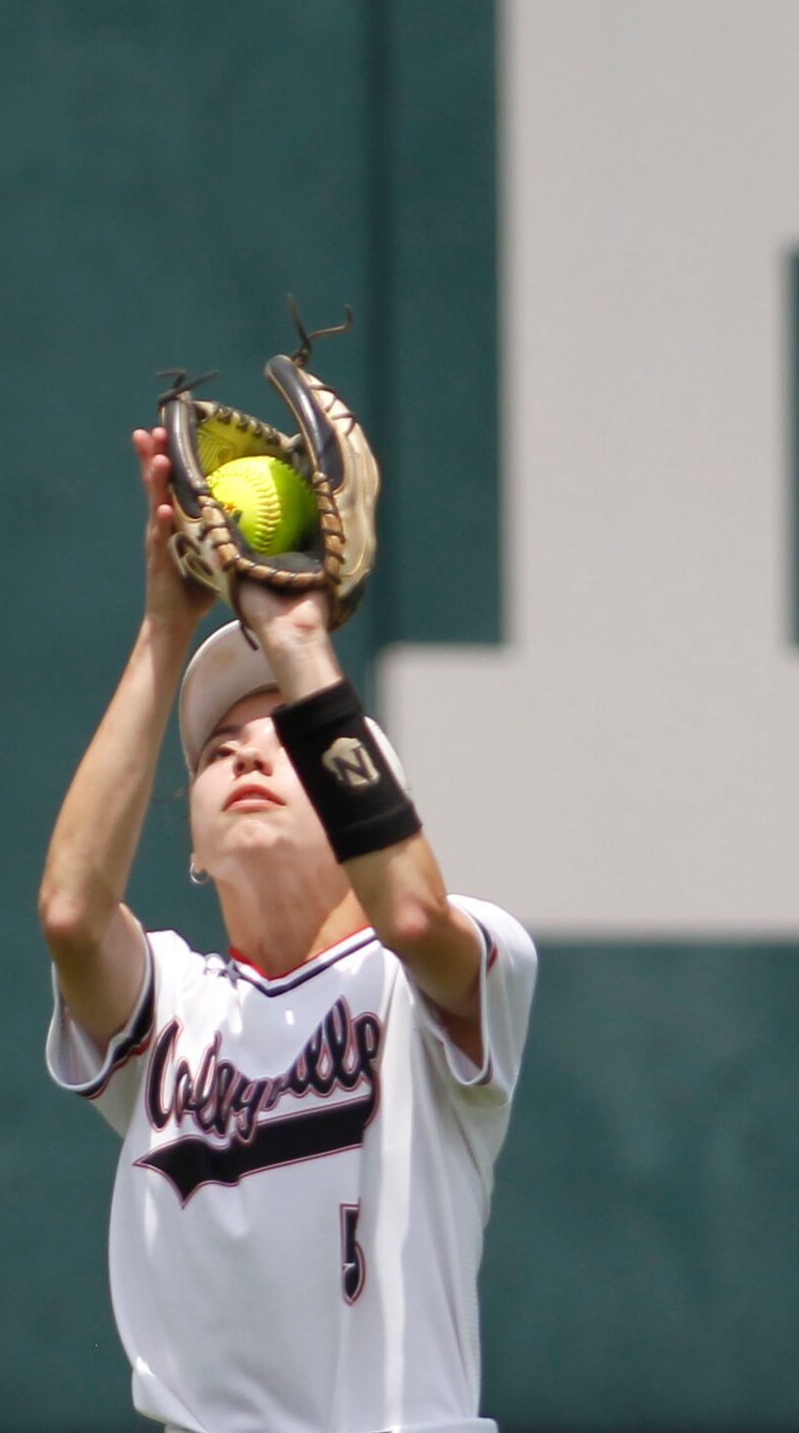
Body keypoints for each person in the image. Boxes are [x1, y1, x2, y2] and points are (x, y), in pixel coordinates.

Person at [39, 423, 536, 1433]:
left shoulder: (440, 975)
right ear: (193, 841)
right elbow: (71, 915)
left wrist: (300, 641)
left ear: (364, 808)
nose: (254, 759)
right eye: (221, 748)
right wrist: (163, 627)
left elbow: (406, 908)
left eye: (291, 742)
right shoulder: (172, 1008)